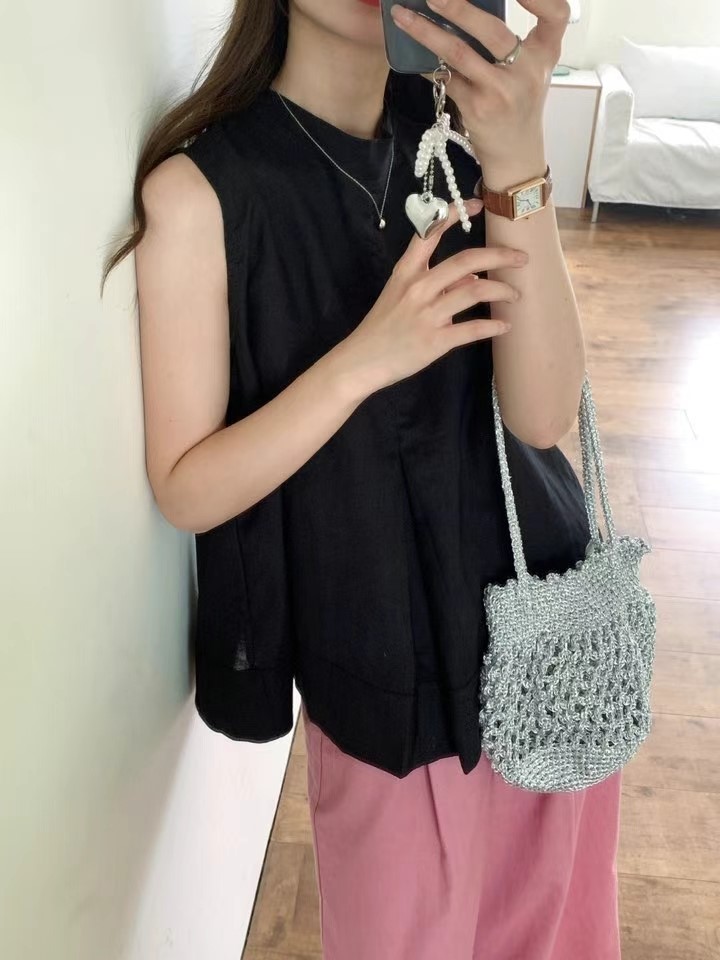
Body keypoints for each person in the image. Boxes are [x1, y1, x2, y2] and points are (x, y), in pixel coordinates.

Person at [103, 0, 623, 957]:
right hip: (384, 684)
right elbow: (185, 485)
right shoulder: (204, 193)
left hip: (545, 647)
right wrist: (364, 360)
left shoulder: (462, 134)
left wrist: (518, 157)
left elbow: (544, 417)